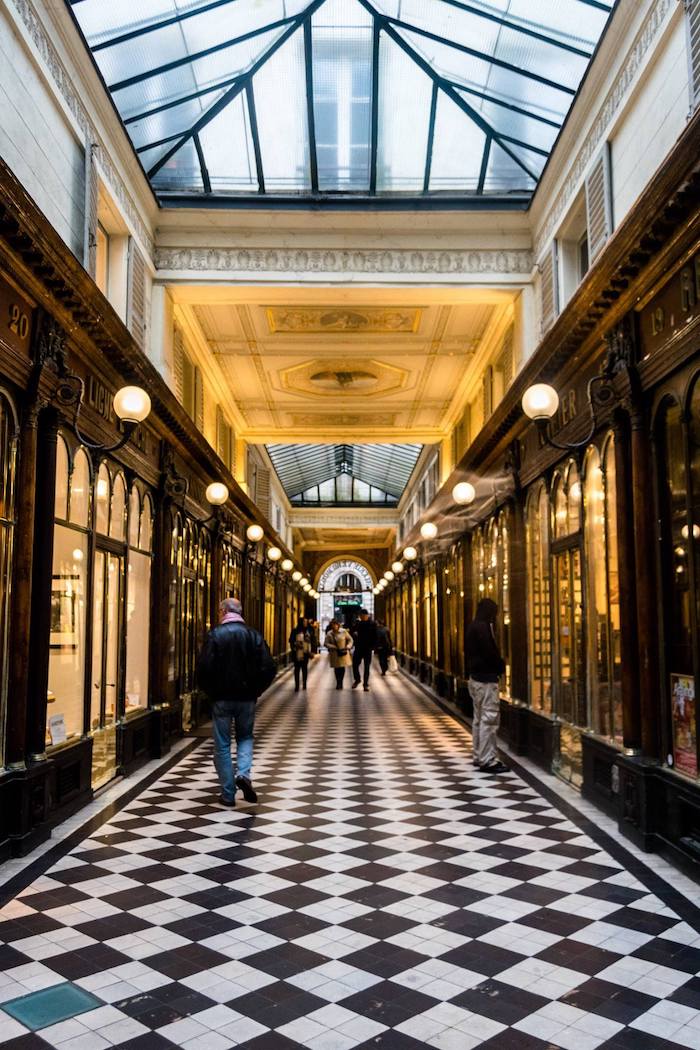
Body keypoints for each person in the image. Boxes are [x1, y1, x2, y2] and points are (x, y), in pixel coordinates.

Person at [197, 597, 276, 807]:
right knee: (245, 737)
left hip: (221, 698)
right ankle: (243, 774)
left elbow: (203, 668)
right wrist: (256, 689)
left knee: (222, 745)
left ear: (223, 611)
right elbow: (269, 667)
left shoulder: (215, 635)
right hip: (246, 698)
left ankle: (228, 793)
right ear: (240, 612)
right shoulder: (254, 635)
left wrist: (211, 692)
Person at [465, 598, 508, 774]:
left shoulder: (473, 626)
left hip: (475, 679)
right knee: (489, 719)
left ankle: (478, 755)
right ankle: (487, 760)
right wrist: (500, 665)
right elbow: (489, 652)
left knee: (478, 719)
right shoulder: (483, 627)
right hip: (486, 680)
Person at [352, 608, 377, 691]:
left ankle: (365, 684)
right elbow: (353, 632)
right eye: (360, 616)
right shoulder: (357, 624)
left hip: (367, 649)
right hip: (358, 647)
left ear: (366, 615)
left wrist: (373, 647)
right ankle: (357, 679)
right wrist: (354, 635)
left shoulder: (372, 624)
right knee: (355, 665)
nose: (361, 617)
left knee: (367, 667)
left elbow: (375, 636)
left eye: (363, 616)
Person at [325, 619, 354, 689]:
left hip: (343, 652)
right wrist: (333, 646)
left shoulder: (343, 631)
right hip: (335, 653)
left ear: (338, 625)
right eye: (333, 625)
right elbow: (326, 643)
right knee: (337, 668)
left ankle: (340, 682)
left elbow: (350, 639)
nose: (334, 626)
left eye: (335, 624)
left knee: (342, 667)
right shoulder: (329, 634)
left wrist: (348, 646)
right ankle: (338, 682)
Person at [289, 617, 312, 692]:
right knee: (297, 669)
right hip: (297, 653)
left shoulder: (308, 631)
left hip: (305, 653)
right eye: (304, 622)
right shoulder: (295, 631)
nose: (306, 623)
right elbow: (291, 640)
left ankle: (304, 684)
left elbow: (310, 641)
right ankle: (297, 685)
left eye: (306, 622)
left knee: (304, 669)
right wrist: (295, 646)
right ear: (301, 622)